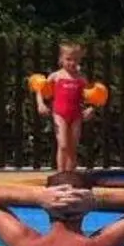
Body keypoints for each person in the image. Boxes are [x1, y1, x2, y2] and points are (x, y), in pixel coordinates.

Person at [35, 41, 91, 177]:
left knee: (73, 146)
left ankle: (70, 174)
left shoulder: (82, 78)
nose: (72, 63)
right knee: (64, 145)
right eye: (68, 59)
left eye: (75, 60)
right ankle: (61, 174)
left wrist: (90, 108)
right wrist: (41, 104)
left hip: (76, 115)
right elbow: (40, 90)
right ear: (61, 59)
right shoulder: (56, 76)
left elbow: (91, 97)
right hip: (59, 113)